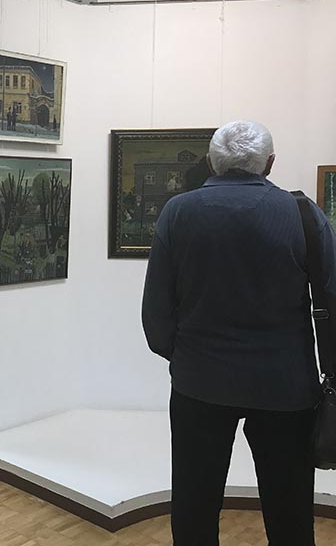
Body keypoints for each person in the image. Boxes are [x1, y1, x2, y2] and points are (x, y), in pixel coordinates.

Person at [142, 120, 336, 545]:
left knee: (194, 505)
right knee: (290, 512)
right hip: (286, 385)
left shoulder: (178, 212)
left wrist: (182, 354)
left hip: (199, 382)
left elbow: (155, 310)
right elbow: (333, 296)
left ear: (211, 162)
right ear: (270, 163)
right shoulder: (303, 213)